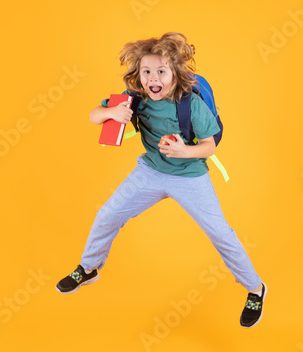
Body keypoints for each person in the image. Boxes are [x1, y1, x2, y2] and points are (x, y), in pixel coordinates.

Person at [56, 32, 266, 328]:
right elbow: (94, 116)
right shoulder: (134, 98)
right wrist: (111, 112)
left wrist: (184, 151)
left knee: (221, 234)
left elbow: (210, 146)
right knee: (106, 215)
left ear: (175, 73)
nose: (153, 78)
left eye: (161, 71)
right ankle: (88, 268)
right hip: (150, 172)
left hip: (190, 177)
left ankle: (255, 289)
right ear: (138, 74)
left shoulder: (191, 105)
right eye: (146, 72)